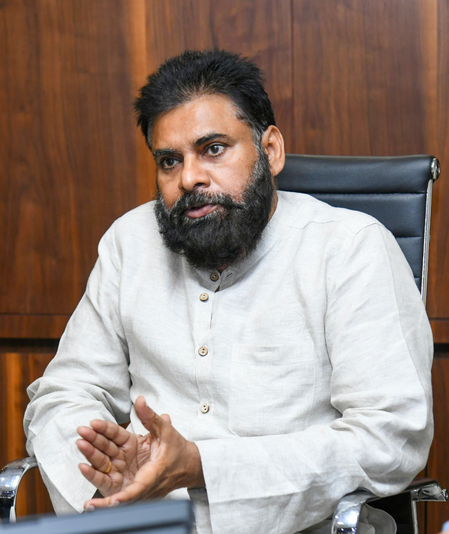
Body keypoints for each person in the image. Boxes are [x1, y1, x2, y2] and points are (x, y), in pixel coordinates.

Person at [24, 49, 433, 534]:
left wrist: (205, 469)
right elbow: (65, 392)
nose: (189, 178)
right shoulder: (129, 243)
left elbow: (390, 436)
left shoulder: (350, 248)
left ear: (270, 150)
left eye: (213, 149)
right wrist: (106, 482)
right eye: (169, 161)